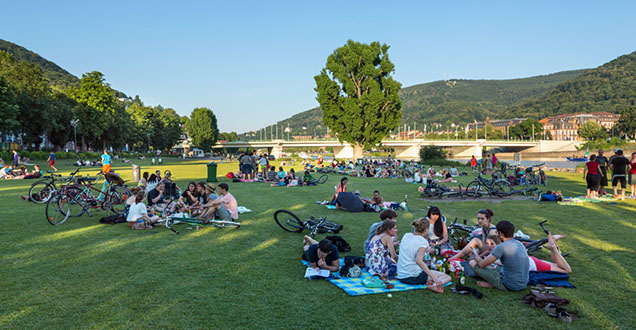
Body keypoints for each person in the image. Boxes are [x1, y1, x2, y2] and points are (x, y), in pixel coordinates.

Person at [469, 220, 529, 291]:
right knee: (494, 266)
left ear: (500, 233)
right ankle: (494, 282)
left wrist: (475, 253)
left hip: (510, 285)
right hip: (523, 283)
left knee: (472, 263)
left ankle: (496, 284)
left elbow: (482, 264)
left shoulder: (502, 246)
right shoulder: (519, 243)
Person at [397, 218, 451, 293]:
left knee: (431, 273)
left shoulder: (406, 235)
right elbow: (419, 261)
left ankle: (431, 282)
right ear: (426, 229)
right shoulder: (423, 242)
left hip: (400, 275)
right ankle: (434, 286)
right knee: (446, 277)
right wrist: (433, 277)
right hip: (412, 276)